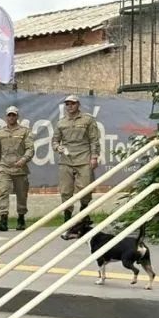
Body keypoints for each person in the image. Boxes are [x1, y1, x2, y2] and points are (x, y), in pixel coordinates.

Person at [52, 95, 102, 237]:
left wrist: (94, 157)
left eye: (72, 104)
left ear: (78, 105)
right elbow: (55, 140)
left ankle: (84, 214)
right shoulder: (61, 122)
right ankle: (67, 217)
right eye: (67, 104)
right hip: (66, 159)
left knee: (85, 188)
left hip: (84, 157)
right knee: (65, 190)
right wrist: (57, 147)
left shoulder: (88, 119)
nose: (70, 106)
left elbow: (94, 139)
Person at [0, 105, 34, 232]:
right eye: (9, 115)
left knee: (21, 194)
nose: (11, 117)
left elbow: (30, 149)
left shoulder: (25, 131)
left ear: (17, 116)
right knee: (3, 192)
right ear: (6, 117)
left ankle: (21, 218)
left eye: (13, 115)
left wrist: (23, 160)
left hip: (20, 168)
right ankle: (3, 220)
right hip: (4, 167)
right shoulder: (0, 132)